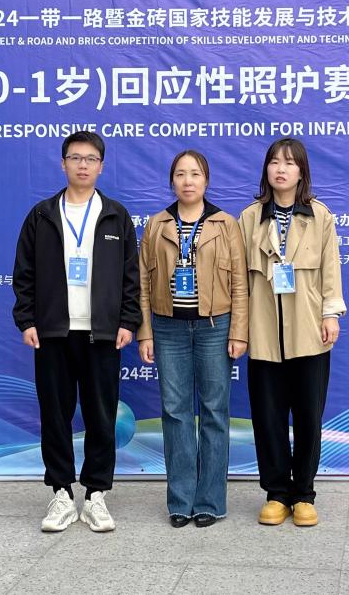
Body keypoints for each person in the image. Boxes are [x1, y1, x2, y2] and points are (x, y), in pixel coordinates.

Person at [12, 131, 140, 533]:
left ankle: (96, 493)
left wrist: (128, 321)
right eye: (75, 158)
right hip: (53, 333)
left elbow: (131, 277)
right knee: (55, 415)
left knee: (102, 416)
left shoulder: (116, 215)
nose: (82, 165)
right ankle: (62, 494)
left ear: (101, 166)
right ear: (63, 163)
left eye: (90, 159)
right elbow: (24, 274)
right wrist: (27, 320)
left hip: (103, 333)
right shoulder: (42, 215)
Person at [137, 150, 249, 528]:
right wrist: (145, 332)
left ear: (206, 180)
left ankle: (210, 501)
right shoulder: (157, 225)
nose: (188, 181)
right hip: (168, 328)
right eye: (181, 174)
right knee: (175, 411)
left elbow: (239, 283)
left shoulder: (225, 224)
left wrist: (239, 332)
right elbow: (143, 284)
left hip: (215, 327)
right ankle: (180, 500)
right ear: (172, 181)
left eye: (195, 174)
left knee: (215, 411)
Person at [239, 137, 346, 527]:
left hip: (309, 330)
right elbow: (239, 281)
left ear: (302, 172)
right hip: (263, 332)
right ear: (266, 170)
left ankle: (303, 493)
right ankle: (276, 493)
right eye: (274, 162)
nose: (280, 169)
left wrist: (331, 314)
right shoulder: (250, 217)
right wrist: (240, 329)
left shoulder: (320, 216)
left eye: (289, 163)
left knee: (307, 416)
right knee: (267, 417)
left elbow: (331, 269)